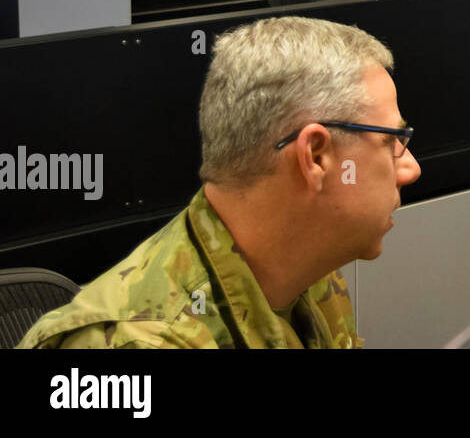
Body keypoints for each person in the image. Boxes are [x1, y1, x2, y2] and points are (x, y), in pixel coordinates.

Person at [20, 17, 421, 349]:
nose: (411, 169)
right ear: (315, 156)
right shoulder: (144, 343)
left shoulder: (309, 267)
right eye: (392, 143)